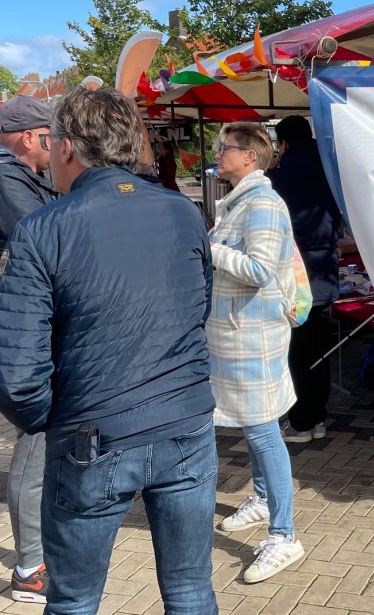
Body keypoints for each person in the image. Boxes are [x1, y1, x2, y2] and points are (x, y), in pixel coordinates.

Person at [0, 87, 218, 614]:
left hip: (93, 437)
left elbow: (17, 378)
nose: (48, 156)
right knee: (191, 592)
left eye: (52, 145)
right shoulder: (182, 212)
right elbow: (199, 308)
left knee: (74, 600)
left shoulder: (43, 228)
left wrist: (56, 418)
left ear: (68, 148)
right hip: (185, 425)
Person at [208, 122, 305, 583]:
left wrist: (208, 250)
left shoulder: (262, 203)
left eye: (225, 148)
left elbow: (261, 271)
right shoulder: (240, 201)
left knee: (264, 430)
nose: (218, 153)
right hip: (238, 334)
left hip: (253, 336)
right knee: (254, 424)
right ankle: (264, 499)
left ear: (250, 157)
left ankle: (284, 535)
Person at [0, 95, 56, 604]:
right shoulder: (6, 179)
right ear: (27, 137)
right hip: (18, 332)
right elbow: (45, 236)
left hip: (25, 326)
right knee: (34, 441)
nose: (56, 145)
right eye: (49, 136)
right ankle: (29, 569)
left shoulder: (24, 178)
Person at [267, 115, 342, 442]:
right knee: (320, 350)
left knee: (296, 352)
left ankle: (301, 422)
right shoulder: (330, 170)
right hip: (325, 271)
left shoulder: (276, 179)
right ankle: (318, 417)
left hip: (293, 274)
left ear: (282, 144)